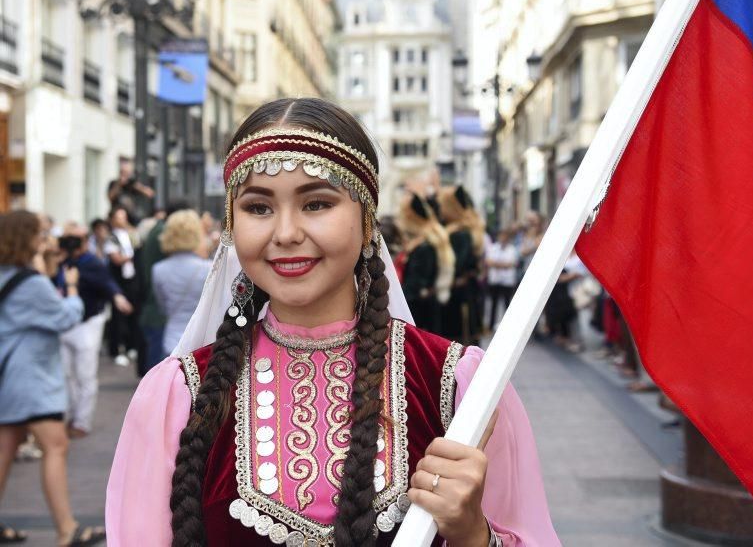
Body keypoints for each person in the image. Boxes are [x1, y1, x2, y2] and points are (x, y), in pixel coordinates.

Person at [106, 98, 559, 546]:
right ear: (231, 224)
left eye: (317, 203)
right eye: (258, 208)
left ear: (366, 222)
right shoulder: (178, 395)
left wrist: (472, 534)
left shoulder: (459, 386)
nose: (285, 233)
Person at [0, 211, 105, 546]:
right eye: (40, 233)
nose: (44, 238)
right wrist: (72, 289)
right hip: (31, 378)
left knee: (5, 448)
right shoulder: (29, 283)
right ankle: (66, 528)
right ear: (25, 237)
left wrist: (47, 264)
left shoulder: (10, 276)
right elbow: (64, 317)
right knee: (56, 445)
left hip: (10, 376)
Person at [57, 224, 133, 438]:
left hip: (87, 323)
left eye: (76, 239)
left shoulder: (91, 262)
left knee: (84, 374)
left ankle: (81, 421)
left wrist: (118, 297)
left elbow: (107, 283)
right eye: (67, 238)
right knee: (66, 374)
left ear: (84, 241)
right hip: (64, 323)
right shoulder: (59, 261)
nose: (71, 243)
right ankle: (70, 415)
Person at [138, 200, 192, 375]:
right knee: (158, 372)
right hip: (160, 314)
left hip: (158, 309)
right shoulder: (163, 232)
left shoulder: (158, 230)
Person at [151, 210, 212, 363]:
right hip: (201, 343)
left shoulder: (158, 269)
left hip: (171, 341)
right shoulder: (209, 268)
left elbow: (162, 307)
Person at [397, 194, 455, 334]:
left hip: (420, 313)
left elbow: (416, 285)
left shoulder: (425, 246)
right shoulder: (426, 242)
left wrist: (396, 301)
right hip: (425, 308)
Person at [437, 185, 485, 345]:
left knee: (457, 341)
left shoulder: (460, 233)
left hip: (458, 296)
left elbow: (456, 264)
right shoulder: (461, 230)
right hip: (460, 293)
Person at [105, 207, 144, 369]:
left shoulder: (130, 234)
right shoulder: (111, 238)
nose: (122, 220)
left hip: (132, 280)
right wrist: (129, 256)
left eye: (124, 216)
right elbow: (116, 259)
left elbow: (139, 244)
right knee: (118, 315)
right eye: (119, 217)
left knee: (134, 312)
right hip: (119, 280)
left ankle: (131, 346)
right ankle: (117, 349)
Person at [485, 229, 519, 330]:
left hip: (507, 281)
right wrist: (502, 264)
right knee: (493, 304)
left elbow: (512, 263)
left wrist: (497, 264)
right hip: (495, 280)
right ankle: (491, 325)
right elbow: (489, 261)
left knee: (507, 304)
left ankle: (509, 325)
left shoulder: (512, 249)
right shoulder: (493, 248)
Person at [107, 160, 154, 225]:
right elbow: (110, 197)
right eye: (122, 173)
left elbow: (149, 193)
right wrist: (118, 185)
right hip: (116, 218)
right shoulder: (114, 183)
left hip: (131, 218)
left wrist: (137, 186)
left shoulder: (132, 184)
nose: (124, 176)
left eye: (126, 173)